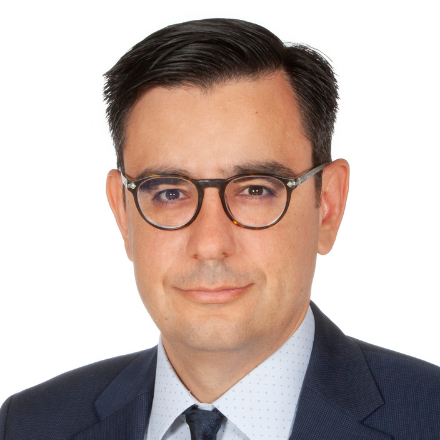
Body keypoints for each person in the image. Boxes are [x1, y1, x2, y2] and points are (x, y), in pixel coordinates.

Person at [1, 17, 439, 440]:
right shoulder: (28, 426)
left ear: (327, 205)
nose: (210, 244)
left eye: (255, 189)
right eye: (169, 192)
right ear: (123, 213)